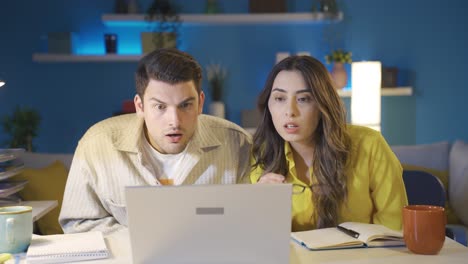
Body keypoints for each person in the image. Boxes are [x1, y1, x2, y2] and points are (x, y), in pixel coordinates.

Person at [59, 48, 252, 234]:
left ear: (200, 103)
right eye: (160, 106)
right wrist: (143, 238)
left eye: (185, 105)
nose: (175, 122)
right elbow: (77, 224)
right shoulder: (96, 144)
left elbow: (250, 220)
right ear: (140, 106)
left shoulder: (238, 143)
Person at [250, 55, 407, 232]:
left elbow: (394, 229)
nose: (290, 111)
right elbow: (260, 242)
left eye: (303, 99)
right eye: (280, 98)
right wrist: (260, 207)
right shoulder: (261, 158)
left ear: (322, 104)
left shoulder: (370, 145)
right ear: (268, 104)